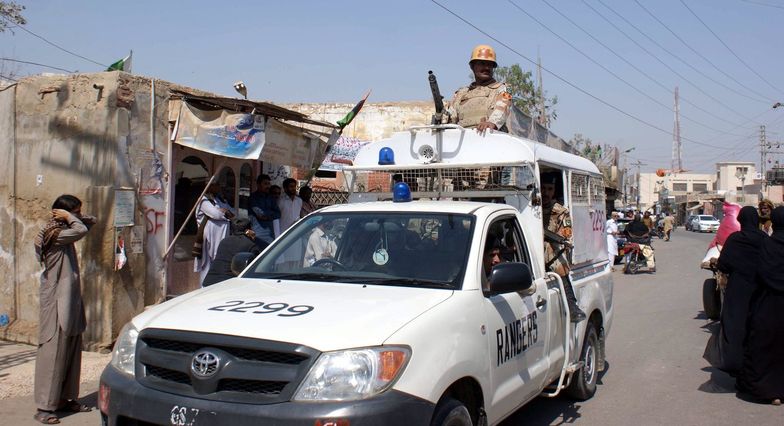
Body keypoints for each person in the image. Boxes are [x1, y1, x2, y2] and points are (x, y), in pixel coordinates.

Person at [33, 194, 96, 424]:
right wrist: (70, 217)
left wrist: (71, 215)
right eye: (75, 212)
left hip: (70, 301)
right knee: (53, 353)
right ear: (62, 214)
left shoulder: (64, 228)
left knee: (71, 351)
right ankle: (44, 407)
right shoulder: (54, 234)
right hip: (57, 302)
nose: (79, 215)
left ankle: (66, 399)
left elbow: (91, 221)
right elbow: (81, 230)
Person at [703, 207, 767, 375]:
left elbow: (723, 264)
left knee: (735, 325)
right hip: (760, 289)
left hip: (738, 288)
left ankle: (735, 362)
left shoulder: (735, 239)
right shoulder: (764, 239)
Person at [737, 206, 784, 405]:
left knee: (764, 346)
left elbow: (762, 273)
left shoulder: (768, 244)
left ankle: (771, 392)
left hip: (770, 303)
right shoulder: (765, 241)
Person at [541, 172, 587, 322]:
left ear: (554, 191)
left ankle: (572, 305)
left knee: (560, 264)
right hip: (532, 250)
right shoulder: (532, 209)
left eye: (549, 189)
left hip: (552, 252)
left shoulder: (561, 212)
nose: (546, 193)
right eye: (543, 188)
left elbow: (565, 237)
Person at [445, 44, 512, 135]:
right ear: (472, 66)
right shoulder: (461, 94)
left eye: (490, 65)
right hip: (465, 141)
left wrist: (492, 123)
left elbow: (502, 109)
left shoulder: (502, 89)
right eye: (482, 64)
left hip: (492, 139)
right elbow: (450, 120)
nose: (486, 68)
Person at [202, 218, 267, 287]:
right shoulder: (250, 244)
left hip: (209, 282)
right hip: (227, 285)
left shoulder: (224, 241)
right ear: (250, 229)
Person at [194, 183, 231, 285]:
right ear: (209, 187)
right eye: (215, 185)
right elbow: (216, 214)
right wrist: (223, 212)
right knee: (206, 266)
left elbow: (232, 212)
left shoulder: (221, 200)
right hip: (208, 237)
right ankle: (204, 288)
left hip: (221, 236)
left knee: (218, 262)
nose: (218, 188)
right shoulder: (204, 201)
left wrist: (223, 211)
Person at [249, 174, 280, 245]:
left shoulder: (270, 198)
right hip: (257, 234)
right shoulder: (253, 198)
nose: (268, 186)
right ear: (258, 185)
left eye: (269, 184)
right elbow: (261, 215)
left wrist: (267, 215)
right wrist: (271, 214)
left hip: (270, 234)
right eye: (265, 184)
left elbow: (278, 214)